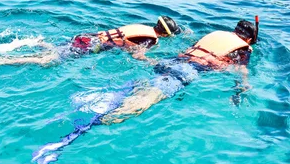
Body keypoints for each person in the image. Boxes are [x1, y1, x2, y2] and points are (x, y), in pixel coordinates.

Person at [101, 18, 259, 124]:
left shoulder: (217, 33)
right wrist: (242, 88)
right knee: (147, 99)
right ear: (249, 39)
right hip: (188, 69)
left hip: (172, 61)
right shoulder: (244, 47)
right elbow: (241, 70)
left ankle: (109, 99)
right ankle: (106, 119)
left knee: (145, 85)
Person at [0, 16, 181, 82]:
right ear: (165, 34)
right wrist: (153, 63)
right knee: (45, 61)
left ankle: (33, 42)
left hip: (85, 38)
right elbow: (137, 54)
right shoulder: (153, 40)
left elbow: (122, 40)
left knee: (52, 51)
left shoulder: (141, 25)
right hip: (90, 47)